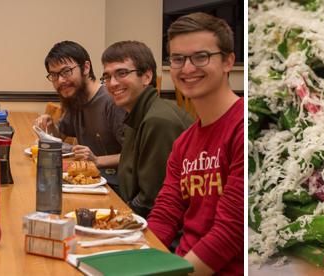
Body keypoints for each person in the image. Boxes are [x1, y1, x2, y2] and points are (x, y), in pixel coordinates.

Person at [146, 12, 243, 276]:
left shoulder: (247, 127)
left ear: (228, 62)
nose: (187, 68)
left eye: (201, 56)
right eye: (178, 59)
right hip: (180, 263)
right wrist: (142, 262)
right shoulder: (183, 143)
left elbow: (231, 233)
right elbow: (165, 215)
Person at [101, 41, 192, 219]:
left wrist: (113, 220)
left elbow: (151, 202)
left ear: (146, 77)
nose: (112, 83)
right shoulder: (140, 113)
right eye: (107, 77)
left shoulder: (157, 121)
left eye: (122, 73)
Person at [34, 41, 127, 189]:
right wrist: (50, 124)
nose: (60, 81)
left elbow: (135, 155)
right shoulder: (77, 97)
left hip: (114, 187)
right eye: (54, 75)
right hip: (87, 181)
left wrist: (97, 161)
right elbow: (58, 138)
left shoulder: (111, 101)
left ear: (86, 68)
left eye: (66, 72)